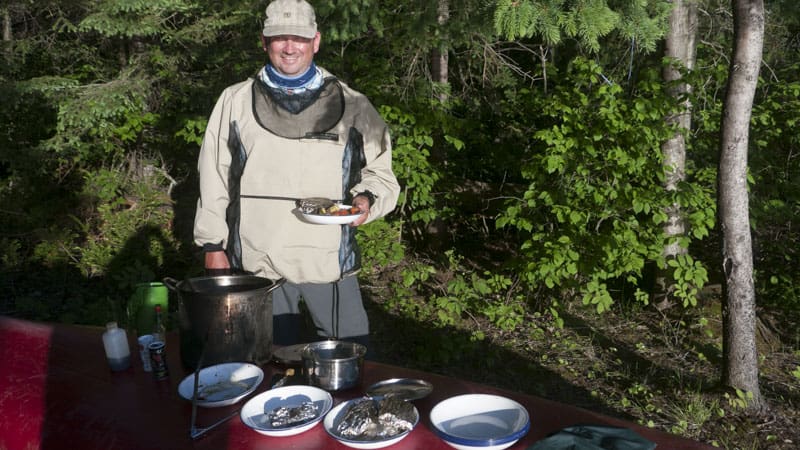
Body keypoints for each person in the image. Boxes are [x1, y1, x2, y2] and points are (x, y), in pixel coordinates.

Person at [193, 0, 400, 352]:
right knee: (268, 361)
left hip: (327, 259)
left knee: (349, 358)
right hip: (258, 260)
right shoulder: (234, 101)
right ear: (264, 42)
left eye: (299, 39)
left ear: (316, 41)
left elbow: (381, 173)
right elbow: (213, 176)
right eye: (280, 38)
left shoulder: (354, 104)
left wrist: (366, 200)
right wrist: (213, 245)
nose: (289, 47)